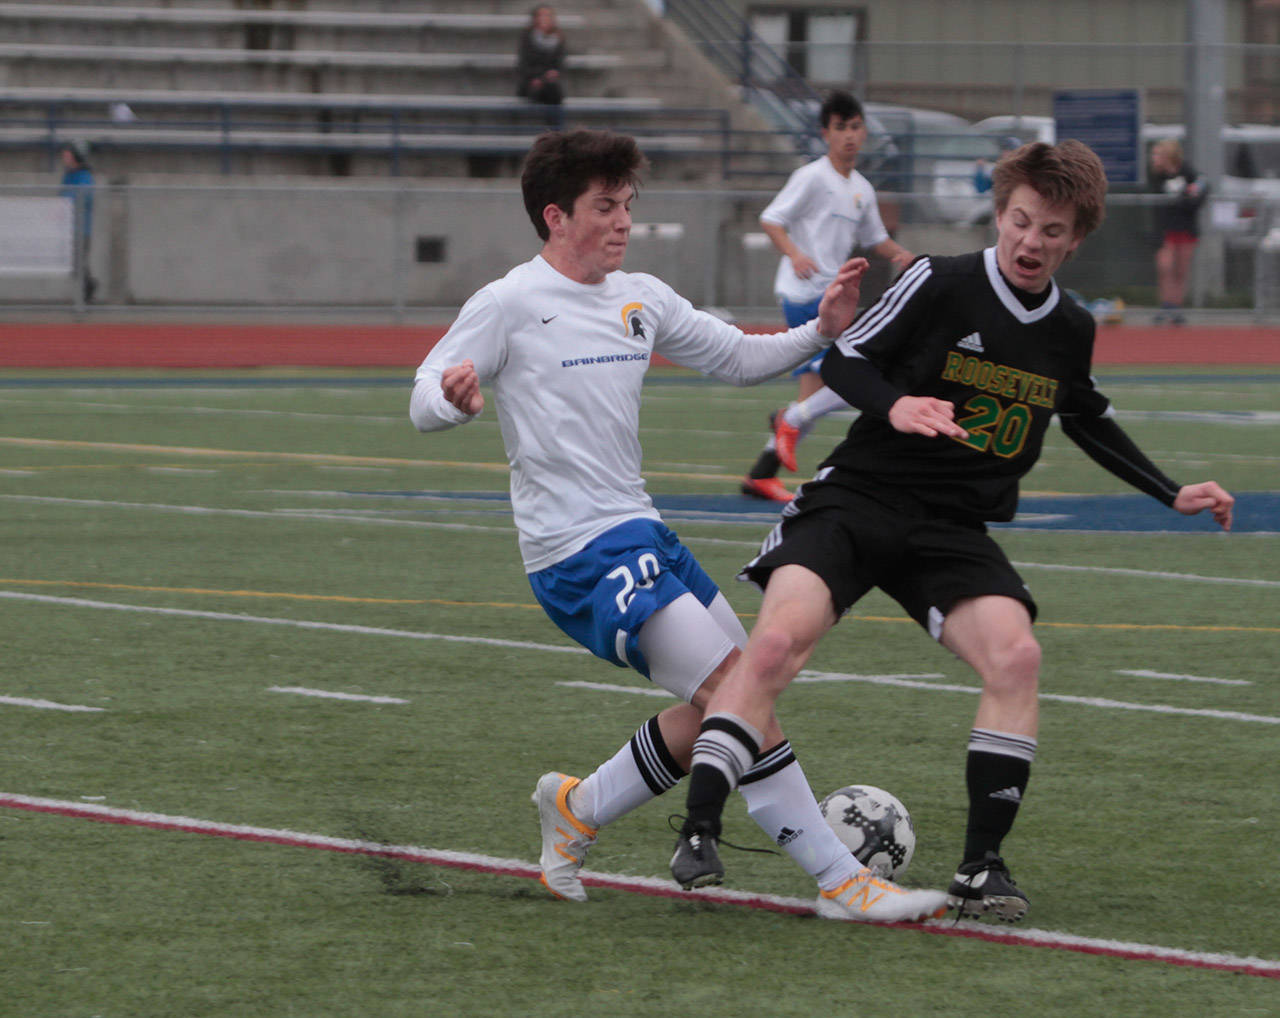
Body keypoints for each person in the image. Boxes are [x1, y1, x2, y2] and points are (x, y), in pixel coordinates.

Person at [673, 140, 1234, 923]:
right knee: (774, 645)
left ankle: (982, 868)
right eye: (1021, 221)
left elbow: (1088, 417)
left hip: (951, 528)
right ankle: (700, 828)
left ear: (1077, 239)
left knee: (1017, 655)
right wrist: (897, 405)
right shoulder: (938, 280)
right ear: (1001, 215)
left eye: (1053, 231)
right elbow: (846, 362)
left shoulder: (1070, 326)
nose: (1031, 242)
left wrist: (1171, 492)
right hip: (860, 498)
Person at [410, 128, 948, 924]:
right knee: (742, 689)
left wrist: (823, 332)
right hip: (578, 553)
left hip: (641, 532)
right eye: (605, 206)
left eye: (629, 204)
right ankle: (844, 882)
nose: (623, 220)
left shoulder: (642, 296)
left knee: (720, 712)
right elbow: (423, 392)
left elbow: (735, 356)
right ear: (556, 217)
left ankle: (579, 807)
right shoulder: (509, 302)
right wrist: (449, 400)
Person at [741, 90, 913, 503]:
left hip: (830, 296)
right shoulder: (812, 177)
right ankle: (789, 421)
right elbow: (771, 219)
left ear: (864, 132)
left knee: (817, 396)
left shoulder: (861, 189)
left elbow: (875, 239)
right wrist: (796, 253)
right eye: (841, 128)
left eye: (855, 127)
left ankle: (763, 473)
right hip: (805, 294)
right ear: (825, 134)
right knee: (852, 376)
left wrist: (906, 257)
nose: (849, 136)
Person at [1149, 138, 1207, 325]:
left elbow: (1200, 189)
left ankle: (1176, 307)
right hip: (1166, 228)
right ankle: (1165, 304)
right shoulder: (1157, 176)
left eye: (1158, 154)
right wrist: (1184, 197)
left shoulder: (1187, 171)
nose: (1154, 158)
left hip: (1185, 227)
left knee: (1181, 269)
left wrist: (1188, 197)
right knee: (1165, 266)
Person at [58, 141, 97, 304]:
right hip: (69, 229)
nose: (64, 157)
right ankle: (86, 291)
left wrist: (68, 200)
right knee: (75, 265)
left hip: (81, 229)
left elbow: (83, 197)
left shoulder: (84, 176)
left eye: (68, 154)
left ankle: (87, 291)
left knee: (79, 264)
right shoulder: (68, 175)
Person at [516, 5, 566, 126]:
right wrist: (537, 77)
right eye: (541, 15)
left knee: (553, 89)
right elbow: (524, 64)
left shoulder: (558, 38)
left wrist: (554, 73)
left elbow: (560, 63)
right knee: (549, 91)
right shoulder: (527, 38)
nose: (544, 18)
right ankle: (554, 132)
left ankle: (554, 131)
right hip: (531, 82)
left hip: (550, 83)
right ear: (535, 19)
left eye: (547, 15)